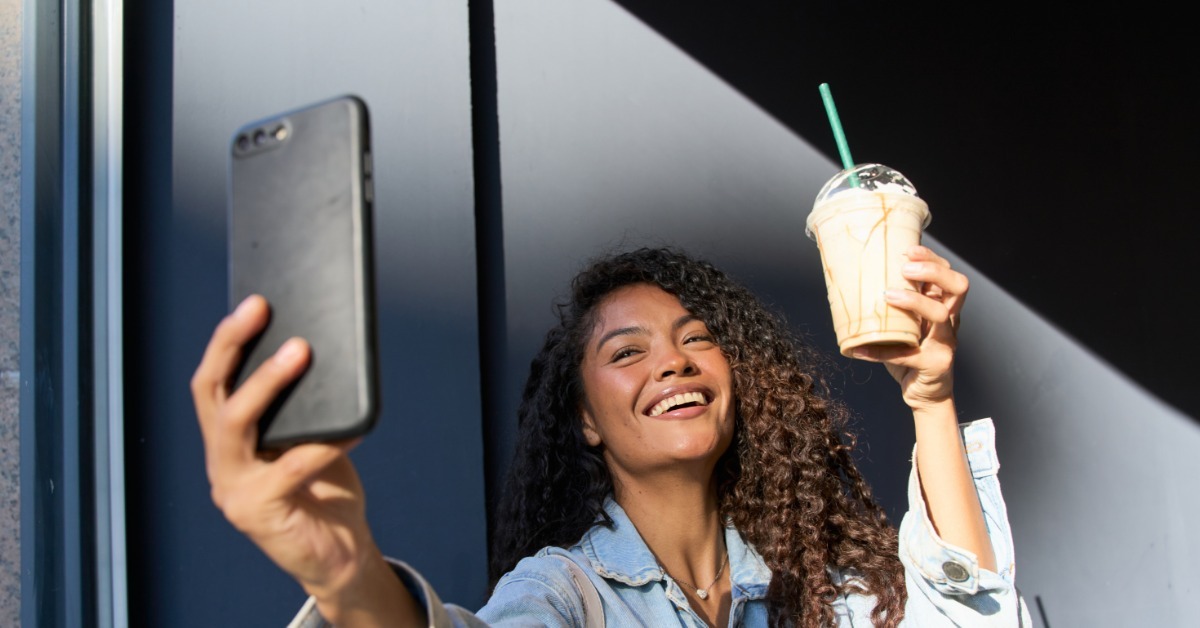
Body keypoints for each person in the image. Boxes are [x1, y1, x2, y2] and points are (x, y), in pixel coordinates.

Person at [192, 246, 1029, 627]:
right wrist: (344, 577)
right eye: (627, 352)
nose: (673, 363)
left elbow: (969, 614)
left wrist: (930, 394)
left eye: (697, 339)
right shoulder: (566, 596)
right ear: (587, 420)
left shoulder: (812, 588)